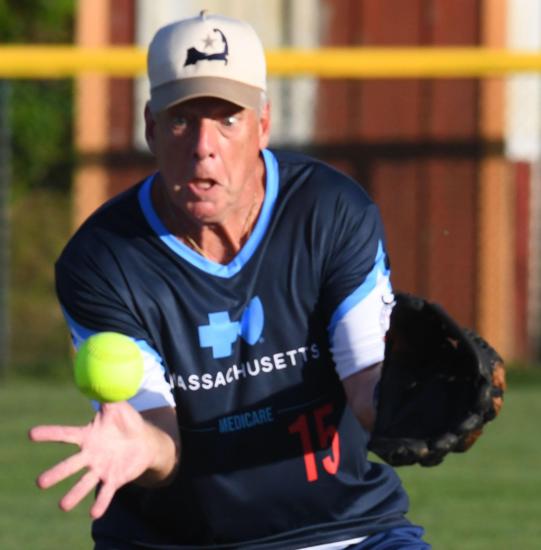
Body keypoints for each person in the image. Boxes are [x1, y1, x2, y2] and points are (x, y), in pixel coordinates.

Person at [30, 11, 431, 549]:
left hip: (348, 531)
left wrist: (414, 404)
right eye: (181, 119)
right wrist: (140, 446)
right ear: (150, 128)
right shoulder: (104, 259)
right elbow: (162, 439)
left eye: (227, 119)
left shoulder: (328, 211)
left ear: (263, 124)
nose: (204, 145)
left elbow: (365, 380)